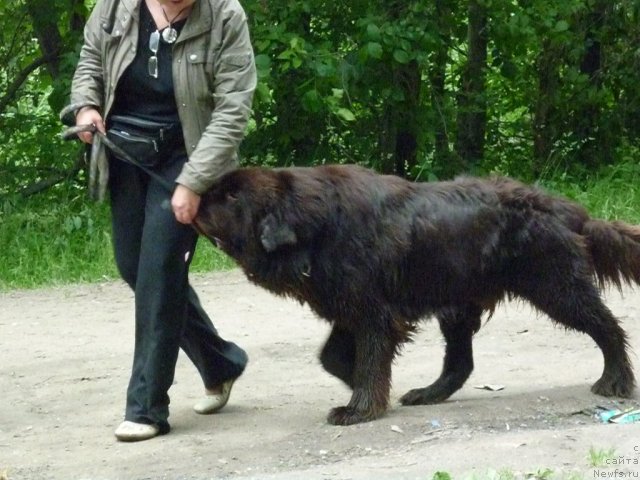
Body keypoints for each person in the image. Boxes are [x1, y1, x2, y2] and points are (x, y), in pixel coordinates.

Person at [68, 0, 257, 441]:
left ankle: (147, 407)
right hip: (125, 155)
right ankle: (220, 362)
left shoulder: (225, 15)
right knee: (136, 268)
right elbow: (90, 62)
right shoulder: (115, 7)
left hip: (188, 157)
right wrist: (85, 108)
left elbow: (232, 110)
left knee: (157, 273)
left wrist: (193, 182)